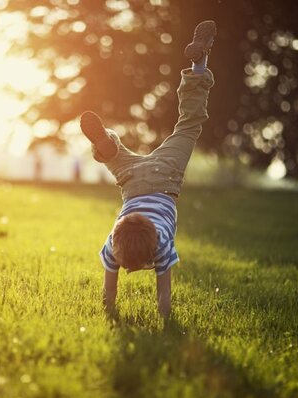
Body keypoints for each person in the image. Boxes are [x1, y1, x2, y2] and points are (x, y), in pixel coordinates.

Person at [80, 20, 216, 319]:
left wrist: (110, 314)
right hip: (132, 180)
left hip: (163, 176)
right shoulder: (117, 242)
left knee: (188, 125)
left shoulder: (144, 245)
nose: (127, 269)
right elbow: (162, 297)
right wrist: (162, 319)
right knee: (181, 126)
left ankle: (106, 144)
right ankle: (108, 146)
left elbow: (110, 295)